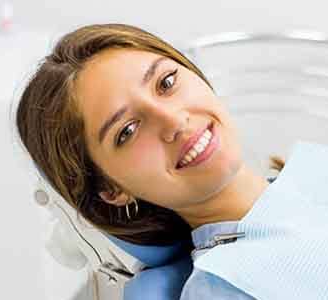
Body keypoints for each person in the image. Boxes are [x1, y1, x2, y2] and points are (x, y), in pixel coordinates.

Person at [15, 23, 285, 299]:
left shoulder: (317, 176)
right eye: (127, 131)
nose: (175, 121)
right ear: (112, 190)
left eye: (166, 82)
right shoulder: (225, 289)